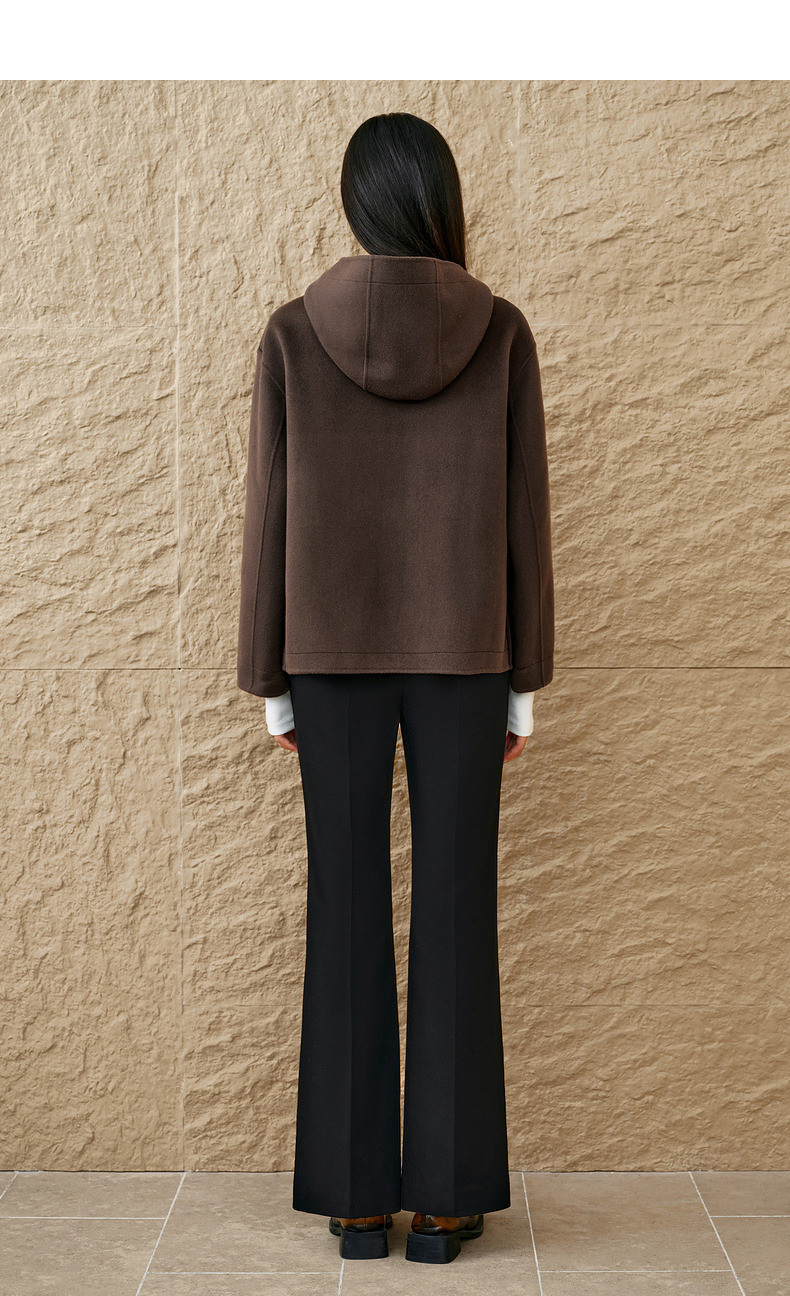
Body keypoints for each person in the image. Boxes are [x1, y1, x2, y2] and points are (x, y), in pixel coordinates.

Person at [236, 111, 554, 1266]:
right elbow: (524, 513)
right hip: (467, 653)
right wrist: (526, 679)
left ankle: (357, 1202)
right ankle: (451, 1202)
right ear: (440, 202)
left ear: (356, 204)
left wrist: (268, 678)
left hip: (328, 658)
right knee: (457, 907)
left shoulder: (292, 333)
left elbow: (269, 510)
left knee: (344, 909)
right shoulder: (500, 331)